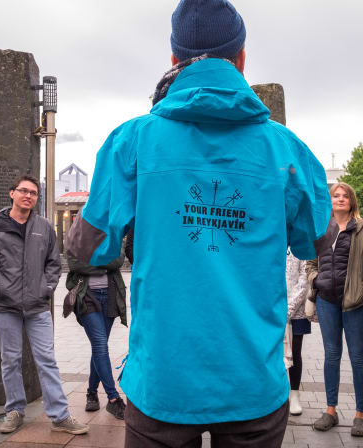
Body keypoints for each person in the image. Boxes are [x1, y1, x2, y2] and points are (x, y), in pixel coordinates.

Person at [67, 0, 331, 445]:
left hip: (164, 378)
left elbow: (89, 249)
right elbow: (316, 242)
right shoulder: (287, 149)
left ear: (175, 59)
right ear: (241, 58)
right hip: (252, 378)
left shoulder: (132, 140)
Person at [0, 175, 89, 435]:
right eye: (24, 191)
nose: (28, 196)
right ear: (12, 193)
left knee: (47, 360)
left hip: (37, 306)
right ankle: (14, 411)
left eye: (33, 193)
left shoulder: (44, 226)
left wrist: (45, 289)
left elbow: (53, 262)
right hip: (6, 306)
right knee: (10, 360)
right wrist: (0, 289)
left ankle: (60, 416)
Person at [305, 182, 363, 437]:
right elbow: (310, 263)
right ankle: (330, 410)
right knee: (331, 355)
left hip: (356, 304)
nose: (340, 199)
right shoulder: (321, 230)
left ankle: (361, 414)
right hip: (327, 301)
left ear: (351, 201)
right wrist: (316, 280)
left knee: (358, 357)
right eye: (335, 195)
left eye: (345, 196)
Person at [64, 229, 130, 420]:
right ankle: (113, 398)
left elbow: (117, 261)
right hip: (87, 296)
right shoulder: (78, 233)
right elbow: (75, 264)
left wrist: (91, 261)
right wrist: (103, 264)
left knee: (99, 348)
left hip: (110, 296)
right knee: (100, 345)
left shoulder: (113, 232)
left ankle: (91, 393)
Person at [285, 251, 315, 416]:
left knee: (295, 351)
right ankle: (279, 393)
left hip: (296, 310)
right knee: (274, 353)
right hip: (274, 308)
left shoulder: (299, 245)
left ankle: (294, 393)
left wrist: (288, 309)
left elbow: (304, 280)